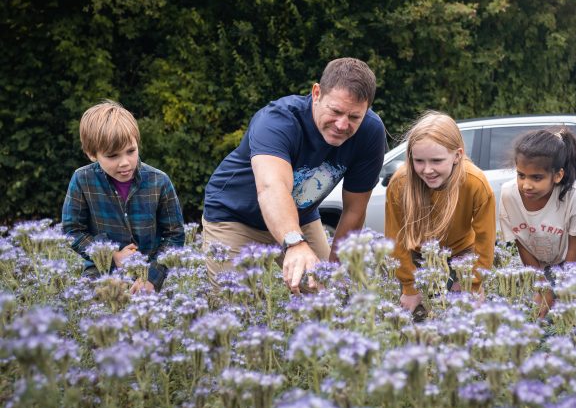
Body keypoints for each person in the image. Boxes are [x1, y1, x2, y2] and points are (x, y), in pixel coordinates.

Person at [203, 57, 386, 294]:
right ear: (317, 93)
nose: (342, 124)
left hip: (301, 215)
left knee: (324, 296)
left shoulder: (370, 133)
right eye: (336, 111)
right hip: (234, 215)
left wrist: (335, 274)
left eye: (354, 117)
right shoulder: (278, 120)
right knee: (237, 304)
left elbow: (354, 209)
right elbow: (272, 187)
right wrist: (294, 243)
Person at [62, 100, 185, 293]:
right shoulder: (82, 179)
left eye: (131, 151)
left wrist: (151, 278)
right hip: (101, 271)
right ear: (92, 154)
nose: (125, 162)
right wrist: (112, 256)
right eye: (112, 156)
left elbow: (175, 234)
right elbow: (72, 230)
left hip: (150, 272)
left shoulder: (159, 181)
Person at [384, 112, 495, 313]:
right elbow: (395, 239)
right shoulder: (400, 183)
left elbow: (485, 240)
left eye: (436, 161)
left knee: (464, 315)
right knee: (419, 318)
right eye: (419, 161)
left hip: (462, 255)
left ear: (457, 156)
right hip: (417, 256)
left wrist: (473, 282)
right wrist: (410, 286)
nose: (427, 170)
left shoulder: (475, 182)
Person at [498, 128, 576, 318]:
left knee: (570, 312)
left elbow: (574, 253)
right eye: (521, 175)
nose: (526, 185)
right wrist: (543, 288)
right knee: (536, 311)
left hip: (571, 256)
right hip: (534, 257)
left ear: (557, 176)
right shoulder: (508, 194)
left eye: (537, 177)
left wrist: (558, 291)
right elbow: (522, 244)